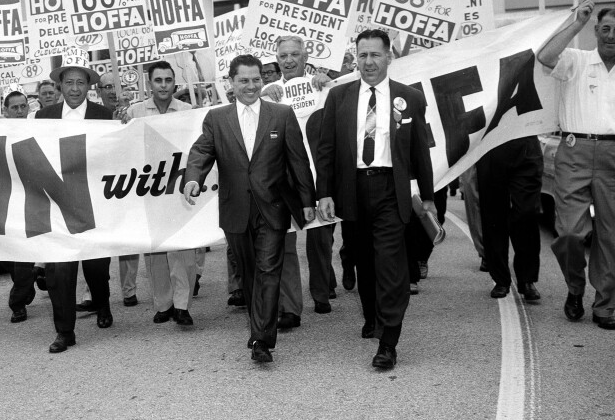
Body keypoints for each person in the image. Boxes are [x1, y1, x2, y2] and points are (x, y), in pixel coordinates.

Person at [184, 54, 316, 363]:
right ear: (231, 83)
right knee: (249, 273)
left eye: (256, 79)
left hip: (272, 207)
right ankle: (260, 328)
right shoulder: (217, 118)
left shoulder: (281, 115)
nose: (251, 86)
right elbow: (201, 151)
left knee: (269, 269)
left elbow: (298, 161)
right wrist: (193, 179)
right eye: (244, 80)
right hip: (236, 209)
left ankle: (261, 339)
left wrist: (307, 200)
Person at [316, 29, 434, 369]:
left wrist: (426, 196)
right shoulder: (338, 97)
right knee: (363, 261)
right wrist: (324, 192)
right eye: (362, 55)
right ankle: (372, 315)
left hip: (388, 190)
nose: (368, 62)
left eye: (375, 55)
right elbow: (326, 149)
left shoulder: (408, 97)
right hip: (351, 190)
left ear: (389, 57)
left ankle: (388, 342)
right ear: (356, 58)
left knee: (391, 265)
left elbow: (419, 151)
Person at [536, 0, 615, 330]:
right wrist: (576, 22)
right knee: (570, 232)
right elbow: (544, 56)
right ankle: (574, 288)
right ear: (596, 31)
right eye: (606, 28)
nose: (611, 35)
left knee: (611, 235)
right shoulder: (576, 61)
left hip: (612, 156)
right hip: (574, 151)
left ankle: (605, 304)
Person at [36, 58, 115, 352]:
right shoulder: (43, 117)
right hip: (57, 202)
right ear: (60, 85)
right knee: (59, 269)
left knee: (96, 265)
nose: (74, 88)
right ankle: (64, 331)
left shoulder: (104, 115)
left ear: (89, 87)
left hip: (93, 200)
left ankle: (103, 305)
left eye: (80, 82)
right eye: (69, 82)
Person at [261, 35, 336, 326]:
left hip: (318, 174)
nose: (289, 60)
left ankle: (322, 292)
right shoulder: (269, 92)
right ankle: (291, 308)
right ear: (276, 60)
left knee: (321, 239)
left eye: (294, 54)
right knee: (286, 241)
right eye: (283, 56)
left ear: (305, 57)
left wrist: (326, 81)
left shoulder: (321, 86)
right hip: (285, 178)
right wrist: (266, 94)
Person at [123, 61, 195, 324]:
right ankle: (163, 304)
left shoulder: (187, 111)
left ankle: (182, 305)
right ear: (149, 83)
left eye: (168, 80)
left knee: (182, 248)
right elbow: (124, 148)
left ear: (174, 83)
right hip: (149, 190)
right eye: (158, 80)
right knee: (156, 250)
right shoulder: (135, 112)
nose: (163, 85)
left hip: (178, 188)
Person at [476, 136, 543, 300]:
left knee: (526, 213)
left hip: (525, 144)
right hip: (491, 145)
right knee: (493, 216)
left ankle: (527, 278)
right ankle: (500, 279)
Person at [97, 71, 140, 306]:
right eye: (108, 87)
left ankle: (129, 290)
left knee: (128, 238)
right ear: (99, 92)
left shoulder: (133, 111)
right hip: (100, 183)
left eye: (118, 85)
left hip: (126, 182)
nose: (114, 91)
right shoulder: (92, 116)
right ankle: (92, 291)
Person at [0, 90, 38, 323]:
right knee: (9, 257)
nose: (20, 111)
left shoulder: (39, 129)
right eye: (14, 108)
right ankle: (26, 284)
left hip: (33, 202)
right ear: (5, 111)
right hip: (6, 203)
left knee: (23, 256)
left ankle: (17, 303)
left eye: (23, 106)